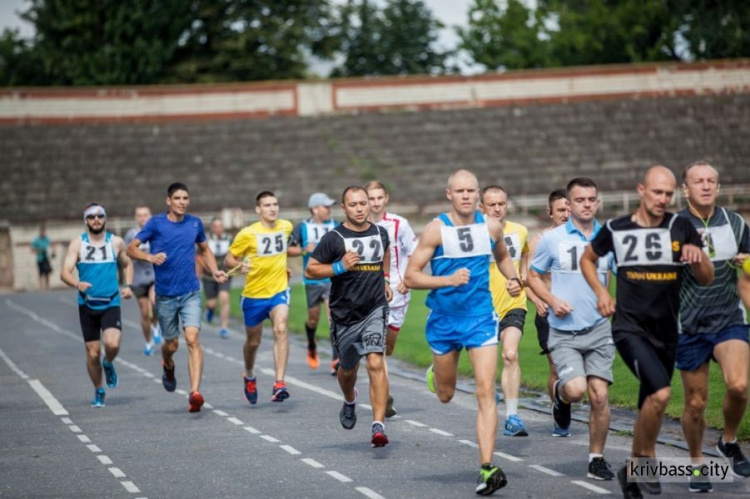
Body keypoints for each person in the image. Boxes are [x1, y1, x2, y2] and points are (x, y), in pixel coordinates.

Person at [580, 166, 714, 499]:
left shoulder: (680, 226)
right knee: (661, 394)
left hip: (667, 332)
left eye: (669, 194)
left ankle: (636, 470)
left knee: (649, 405)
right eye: (657, 192)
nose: (663, 199)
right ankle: (643, 462)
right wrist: (601, 292)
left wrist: (697, 259)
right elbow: (588, 258)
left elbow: (706, 276)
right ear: (641, 190)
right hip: (629, 329)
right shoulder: (616, 228)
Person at [404, 169, 522, 496]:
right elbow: (411, 277)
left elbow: (502, 256)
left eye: (472, 190)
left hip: (481, 317)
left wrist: (512, 277)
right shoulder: (435, 230)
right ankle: (438, 374)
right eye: (460, 191)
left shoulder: (491, 226)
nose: (466, 196)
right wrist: (447, 280)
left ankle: (488, 467)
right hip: (443, 319)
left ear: (478, 194)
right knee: (446, 394)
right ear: (449, 194)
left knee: (486, 390)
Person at [528, 177, 617, 480]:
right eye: (580, 200)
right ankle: (561, 396)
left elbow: (625, 273)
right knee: (576, 391)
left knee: (600, 396)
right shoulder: (552, 240)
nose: (587, 204)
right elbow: (533, 276)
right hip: (564, 331)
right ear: (569, 203)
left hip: (599, 329)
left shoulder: (609, 237)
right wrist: (552, 300)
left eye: (592, 199)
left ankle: (596, 459)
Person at [676, 161, 750, 492]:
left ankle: (728, 441)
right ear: (685, 189)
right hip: (687, 324)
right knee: (695, 403)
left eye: (712, 181)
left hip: (728, 319)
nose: (706, 186)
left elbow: (746, 278)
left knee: (739, 385)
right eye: (698, 181)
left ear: (718, 187)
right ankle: (695, 465)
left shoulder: (736, 223)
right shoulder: (671, 226)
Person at [127, 182, 227, 413]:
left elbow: (205, 250)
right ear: (168, 201)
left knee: (192, 338)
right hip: (165, 296)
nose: (182, 202)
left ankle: (195, 393)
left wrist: (214, 271)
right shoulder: (156, 224)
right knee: (171, 343)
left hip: (191, 291)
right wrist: (149, 257)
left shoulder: (194, 223)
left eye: (185, 198)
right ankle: (168, 364)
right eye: (178, 198)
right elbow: (131, 249)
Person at [305, 186, 392, 448]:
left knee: (376, 362)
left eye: (363, 203)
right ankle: (350, 399)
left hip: (375, 308)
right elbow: (310, 270)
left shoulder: (380, 232)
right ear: (344, 208)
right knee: (347, 370)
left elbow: (385, 252)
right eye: (353, 204)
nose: (359, 208)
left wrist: (385, 278)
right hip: (344, 314)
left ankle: (378, 426)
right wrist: (340, 266)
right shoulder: (333, 238)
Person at [60, 204, 133, 407]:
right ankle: (99, 389)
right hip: (87, 304)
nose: (96, 219)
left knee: (112, 344)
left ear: (105, 219)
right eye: (91, 217)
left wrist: (129, 286)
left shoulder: (116, 242)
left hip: (111, 301)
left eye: (100, 216)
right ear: (86, 220)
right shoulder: (78, 244)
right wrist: (77, 283)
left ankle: (108, 363)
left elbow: (128, 264)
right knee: (92, 353)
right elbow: (64, 272)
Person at [225, 191, 294, 404]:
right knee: (253, 342)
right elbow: (229, 258)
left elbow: (284, 249)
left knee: (280, 328)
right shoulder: (247, 233)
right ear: (258, 210)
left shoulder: (286, 226)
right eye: (267, 205)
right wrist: (240, 266)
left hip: (278, 291)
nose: (272, 208)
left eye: (275, 204)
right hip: (254, 295)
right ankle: (249, 373)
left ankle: (279, 382)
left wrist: (287, 266)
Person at [479, 185, 530, 437]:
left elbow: (525, 261)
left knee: (510, 354)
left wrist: (521, 278)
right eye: (492, 205)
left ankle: (512, 417)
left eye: (501, 203)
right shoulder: (475, 234)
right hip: (482, 308)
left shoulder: (520, 231)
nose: (498, 208)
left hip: (513, 304)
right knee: (485, 372)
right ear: (482, 207)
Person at [366, 180, 418, 418]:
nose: (375, 203)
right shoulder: (359, 226)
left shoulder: (399, 224)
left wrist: (408, 279)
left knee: (388, 347)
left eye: (379, 198)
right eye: (371, 198)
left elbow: (416, 252)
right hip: (370, 293)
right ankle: (384, 396)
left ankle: (381, 384)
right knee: (378, 348)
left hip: (398, 292)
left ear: (386, 198)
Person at [525, 189, 569, 404]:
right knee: (557, 367)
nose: (566, 214)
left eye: (569, 208)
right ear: (550, 212)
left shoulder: (583, 240)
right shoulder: (539, 241)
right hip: (549, 314)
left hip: (576, 312)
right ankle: (559, 412)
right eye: (561, 209)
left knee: (581, 372)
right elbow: (526, 278)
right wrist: (537, 299)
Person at [288, 192, 339, 373]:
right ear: (315, 209)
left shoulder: (336, 226)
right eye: (326, 206)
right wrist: (303, 249)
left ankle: (336, 359)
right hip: (312, 280)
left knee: (333, 317)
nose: (329, 210)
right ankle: (311, 344)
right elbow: (288, 249)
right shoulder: (302, 227)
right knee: (313, 319)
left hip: (332, 279)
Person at [124, 205, 162, 356]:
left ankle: (156, 326)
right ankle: (148, 342)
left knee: (155, 302)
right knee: (145, 313)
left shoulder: (156, 232)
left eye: (145, 215)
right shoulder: (131, 235)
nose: (142, 218)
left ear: (150, 216)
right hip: (138, 278)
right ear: (135, 218)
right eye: (139, 215)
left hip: (154, 275)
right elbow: (127, 255)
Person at [202, 217, 233, 339]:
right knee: (211, 303)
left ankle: (224, 327)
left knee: (224, 298)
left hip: (225, 274)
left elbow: (235, 254)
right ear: (212, 228)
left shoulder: (230, 239)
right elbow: (200, 257)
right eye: (215, 227)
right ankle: (209, 310)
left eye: (220, 226)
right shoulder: (206, 239)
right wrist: (209, 269)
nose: (218, 229)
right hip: (209, 275)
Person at [31, 225, 54, 290]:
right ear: (40, 232)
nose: (43, 233)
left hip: (46, 258)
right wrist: (40, 250)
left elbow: (51, 246)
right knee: (40, 273)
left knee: (47, 272)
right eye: (42, 232)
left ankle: (47, 286)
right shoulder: (36, 240)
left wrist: (53, 252)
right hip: (40, 259)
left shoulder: (46, 239)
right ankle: (41, 286)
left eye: (44, 232)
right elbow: (32, 249)